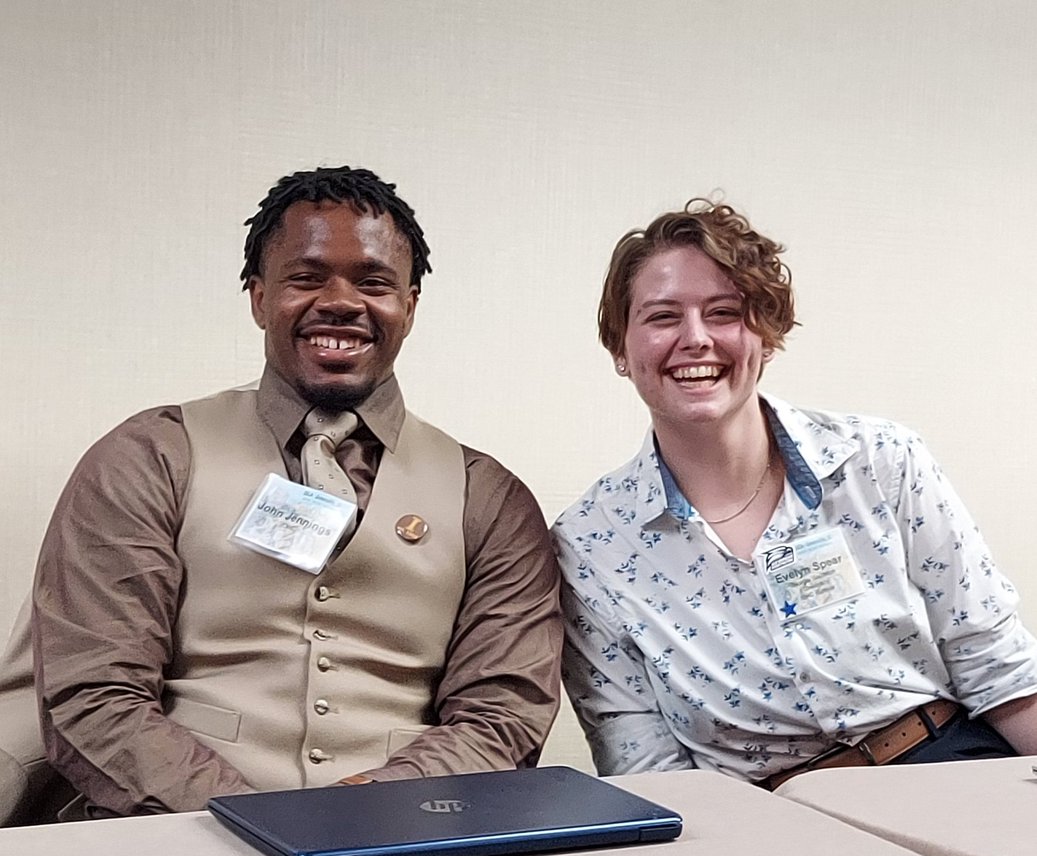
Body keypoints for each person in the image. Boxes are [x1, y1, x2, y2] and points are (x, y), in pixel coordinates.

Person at [7, 165, 561, 820]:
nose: (339, 301)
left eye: (374, 282)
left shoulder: (490, 498)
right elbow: (91, 693)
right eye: (306, 277)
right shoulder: (149, 457)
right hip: (164, 842)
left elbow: (502, 716)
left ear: (409, 307)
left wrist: (365, 819)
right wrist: (248, 824)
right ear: (258, 296)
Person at [552, 199, 1037, 787]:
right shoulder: (589, 545)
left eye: (724, 312)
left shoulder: (881, 460)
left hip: (942, 765)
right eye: (662, 317)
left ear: (766, 332)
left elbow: (995, 665)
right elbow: (643, 763)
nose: (697, 339)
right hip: (771, 821)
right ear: (620, 350)